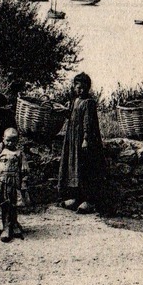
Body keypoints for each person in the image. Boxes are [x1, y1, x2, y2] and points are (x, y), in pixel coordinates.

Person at [58, 72, 106, 213]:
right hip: (72, 140)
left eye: (84, 88)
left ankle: (89, 200)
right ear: (74, 87)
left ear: (88, 88)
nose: (81, 90)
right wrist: (64, 111)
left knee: (85, 169)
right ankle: (76, 198)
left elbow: (88, 123)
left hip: (84, 141)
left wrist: (86, 139)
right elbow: (71, 117)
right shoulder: (74, 101)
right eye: (78, 87)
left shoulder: (89, 103)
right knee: (73, 168)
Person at [0, 127, 29, 242]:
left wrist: (23, 182)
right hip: (3, 182)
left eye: (13, 140)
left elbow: (25, 170)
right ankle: (6, 228)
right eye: (8, 140)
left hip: (14, 181)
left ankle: (15, 225)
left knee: (14, 204)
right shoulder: (0, 152)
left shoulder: (19, 153)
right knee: (5, 204)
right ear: (3, 139)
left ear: (17, 141)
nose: (10, 143)